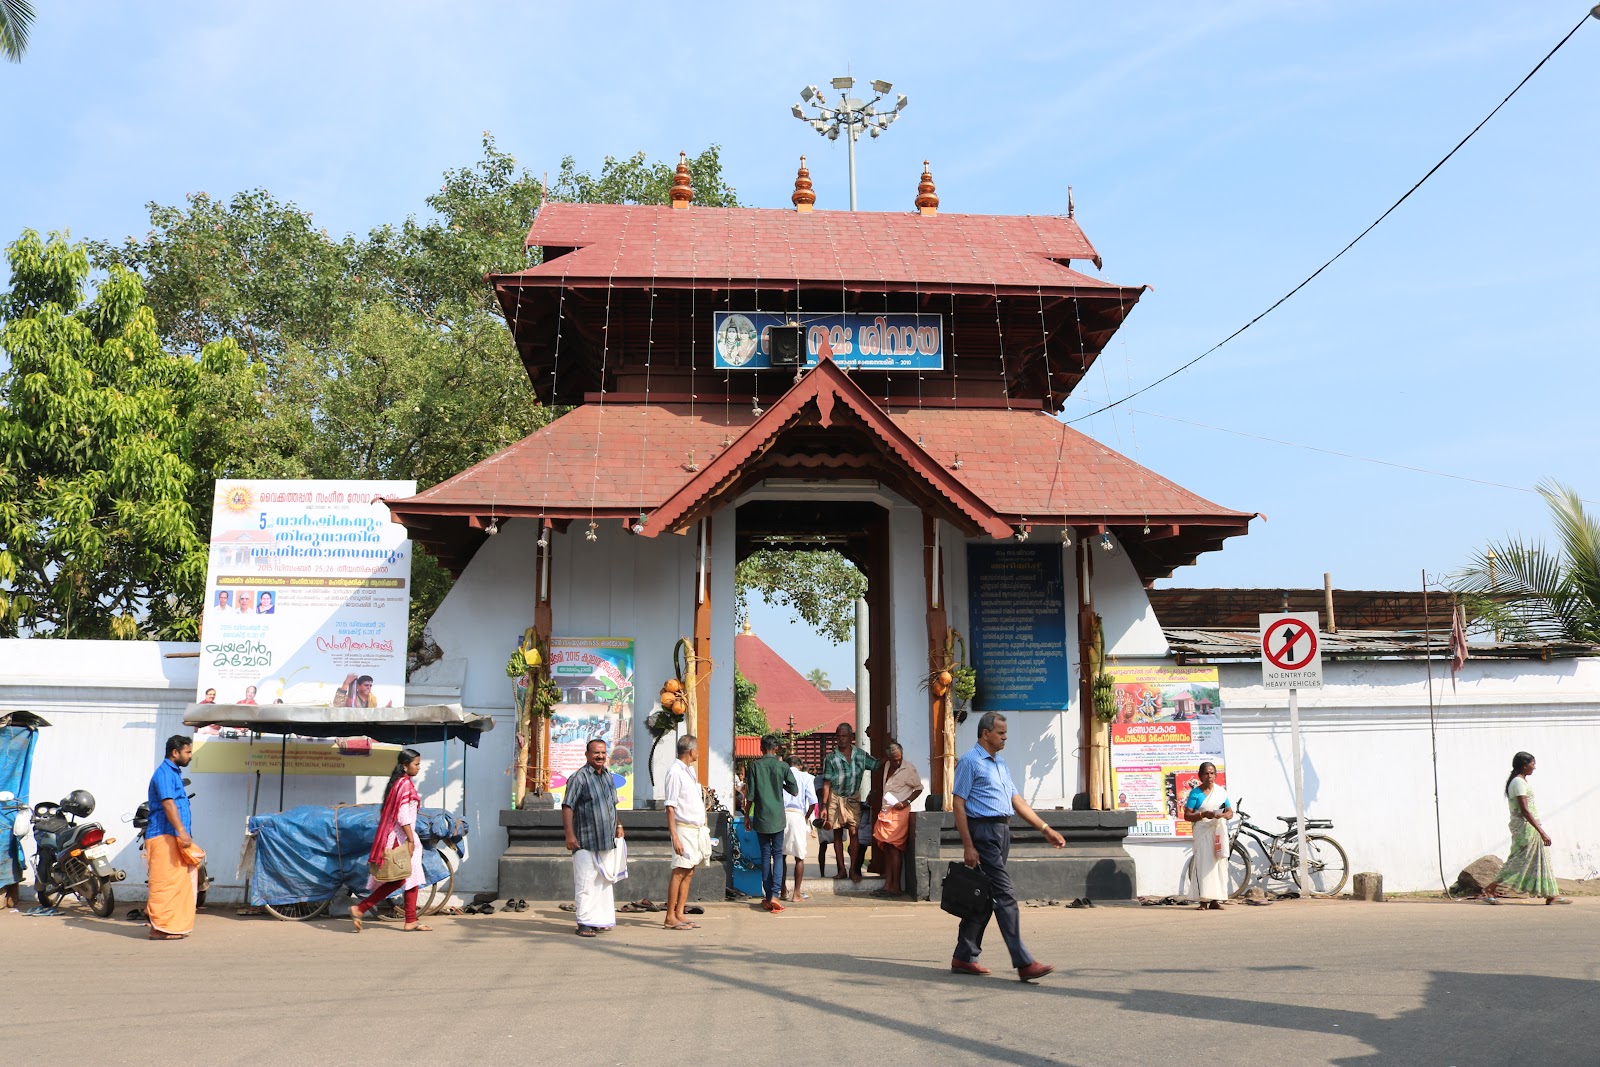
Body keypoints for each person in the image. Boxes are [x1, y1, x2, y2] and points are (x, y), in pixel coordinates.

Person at [950, 712, 1064, 983]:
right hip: (982, 832)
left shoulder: (1000, 764)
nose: (1005, 737)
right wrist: (968, 845)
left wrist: (1045, 829)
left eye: (1005, 733)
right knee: (1004, 894)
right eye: (1000, 733)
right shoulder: (970, 761)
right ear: (985, 733)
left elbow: (1017, 800)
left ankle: (964, 956)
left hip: (1002, 831)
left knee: (984, 895)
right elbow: (958, 804)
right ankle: (1024, 962)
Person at [351, 748, 431, 932]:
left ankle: (410, 920)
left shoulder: (399, 783)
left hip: (400, 836)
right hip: (402, 838)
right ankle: (361, 908)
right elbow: (403, 816)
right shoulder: (405, 785)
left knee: (409, 877)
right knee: (401, 879)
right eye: (416, 764)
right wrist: (411, 840)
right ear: (405, 766)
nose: (419, 767)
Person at [1482, 752, 1570, 905]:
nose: (1534, 767)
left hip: (1531, 826)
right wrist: (1542, 832)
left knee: (1541, 859)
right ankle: (1490, 889)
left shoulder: (1521, 781)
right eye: (1533, 764)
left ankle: (1551, 895)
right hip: (1524, 827)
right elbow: (1525, 810)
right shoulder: (1518, 782)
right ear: (1524, 765)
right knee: (1518, 860)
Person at [563, 738, 624, 936]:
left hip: (605, 839)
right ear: (587, 755)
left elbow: (612, 805)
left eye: (603, 753)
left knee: (603, 882)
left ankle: (599, 920)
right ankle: (584, 923)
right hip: (584, 840)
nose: (600, 756)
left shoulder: (608, 776)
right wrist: (569, 835)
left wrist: (619, 825)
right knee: (585, 883)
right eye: (596, 752)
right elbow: (567, 806)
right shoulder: (579, 777)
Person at [145, 735, 202, 941]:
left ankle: (170, 926)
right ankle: (159, 929)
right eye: (187, 752)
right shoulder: (164, 774)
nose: (190, 756)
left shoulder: (173, 773)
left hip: (172, 835)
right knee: (164, 884)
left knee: (177, 883)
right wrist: (181, 830)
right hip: (164, 834)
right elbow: (168, 803)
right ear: (175, 753)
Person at [744, 733, 798, 912]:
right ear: (776, 749)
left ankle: (768, 896)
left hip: (761, 817)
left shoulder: (754, 766)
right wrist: (781, 785)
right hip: (778, 817)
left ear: (761, 748)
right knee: (778, 855)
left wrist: (747, 815)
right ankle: (775, 894)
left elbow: (750, 795)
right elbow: (794, 790)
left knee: (766, 855)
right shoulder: (783, 766)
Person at [819, 723, 879, 882]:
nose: (841, 739)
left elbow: (877, 765)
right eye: (838, 736)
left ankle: (853, 869)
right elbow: (826, 783)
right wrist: (824, 806)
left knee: (854, 832)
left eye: (844, 736)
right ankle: (841, 869)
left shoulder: (860, 755)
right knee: (837, 833)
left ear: (851, 737)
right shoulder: (831, 758)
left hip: (853, 798)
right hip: (835, 798)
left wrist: (887, 750)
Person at [663, 734, 710, 930]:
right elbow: (670, 806)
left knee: (689, 871)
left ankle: (680, 912)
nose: (698, 753)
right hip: (683, 829)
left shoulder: (689, 771)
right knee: (679, 871)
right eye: (697, 749)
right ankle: (669, 916)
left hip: (696, 829)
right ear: (691, 751)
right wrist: (674, 836)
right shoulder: (675, 772)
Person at [872, 742, 923, 898]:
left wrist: (906, 802)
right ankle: (888, 884)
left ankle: (896, 886)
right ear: (889, 758)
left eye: (899, 759)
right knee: (887, 848)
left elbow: (918, 788)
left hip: (899, 813)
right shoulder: (887, 765)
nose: (897, 762)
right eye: (894, 760)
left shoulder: (908, 769)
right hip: (886, 811)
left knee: (895, 848)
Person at [1183, 761, 1233, 910]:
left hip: (1217, 831)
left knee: (1218, 864)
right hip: (1202, 831)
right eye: (1206, 773)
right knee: (1203, 864)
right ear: (1200, 776)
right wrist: (1203, 814)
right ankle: (1203, 900)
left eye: (1212, 773)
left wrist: (1225, 815)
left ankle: (1215, 900)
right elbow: (1187, 815)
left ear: (1215, 775)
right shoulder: (1195, 793)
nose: (1209, 776)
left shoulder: (1220, 792)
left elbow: (1230, 811)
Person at [781, 754, 817, 902]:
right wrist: (806, 817)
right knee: (799, 857)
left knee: (780, 856)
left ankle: (783, 890)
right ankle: (796, 893)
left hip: (781, 815)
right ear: (800, 765)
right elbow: (813, 802)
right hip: (797, 815)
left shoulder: (781, 776)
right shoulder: (806, 777)